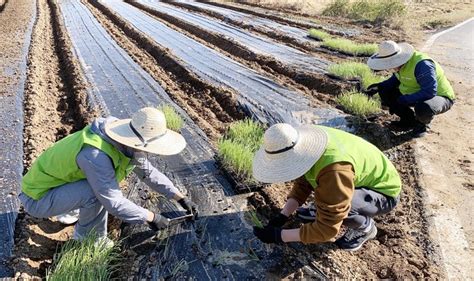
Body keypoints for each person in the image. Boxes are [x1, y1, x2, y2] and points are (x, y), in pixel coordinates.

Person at [20, 107, 198, 243]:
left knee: (97, 186)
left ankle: (69, 210)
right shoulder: (96, 154)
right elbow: (113, 202)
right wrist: (151, 217)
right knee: (96, 193)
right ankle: (88, 239)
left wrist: (180, 198)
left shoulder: (123, 143)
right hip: (37, 199)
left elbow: (148, 173)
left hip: (56, 185)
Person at [252, 123, 401, 251]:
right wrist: (283, 215)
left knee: (339, 208)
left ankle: (366, 228)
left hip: (383, 192)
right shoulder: (308, 142)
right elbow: (304, 181)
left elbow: (327, 229)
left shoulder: (334, 170)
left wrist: (279, 236)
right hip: (357, 177)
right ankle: (319, 208)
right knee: (326, 199)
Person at [365, 40, 455, 137]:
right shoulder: (399, 65)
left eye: (391, 62)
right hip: (416, 91)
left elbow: (429, 91)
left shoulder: (422, 65)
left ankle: (422, 125)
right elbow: (396, 79)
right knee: (385, 90)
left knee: (424, 108)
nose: (389, 66)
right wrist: (379, 87)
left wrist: (405, 99)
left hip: (439, 96)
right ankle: (408, 121)